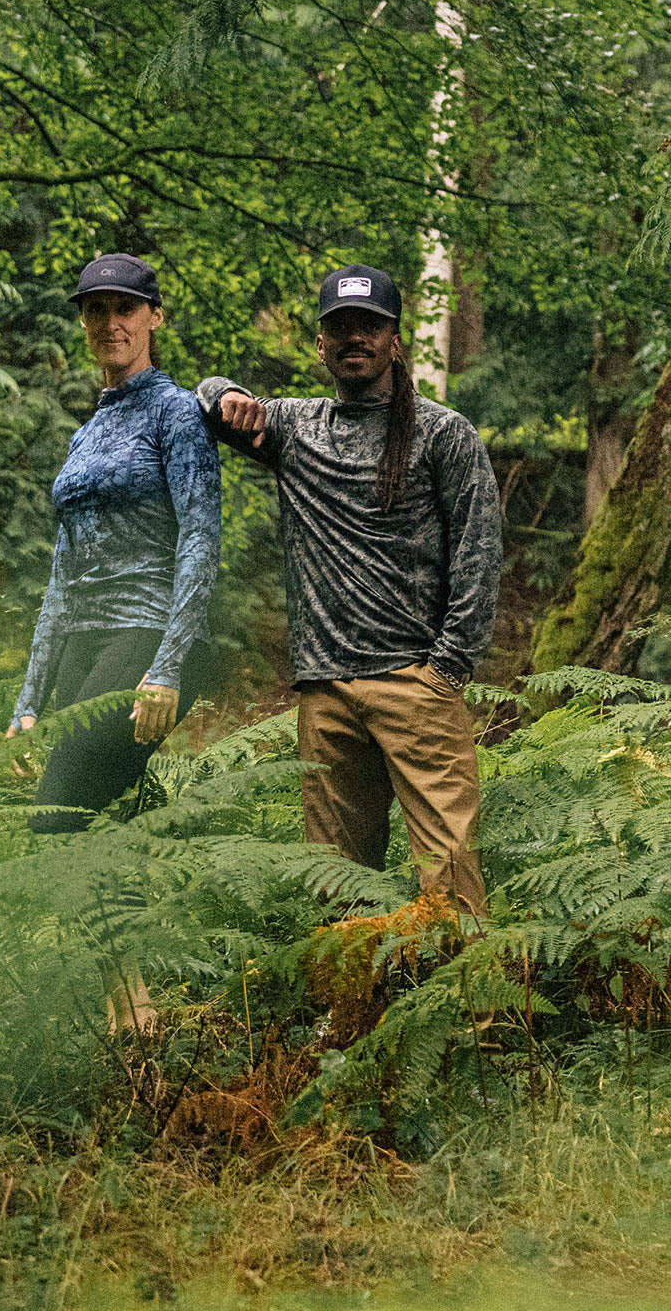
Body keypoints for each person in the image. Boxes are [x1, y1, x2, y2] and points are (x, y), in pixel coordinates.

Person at [197, 264, 502, 919]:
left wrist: (448, 668)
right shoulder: (296, 428)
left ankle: (474, 988)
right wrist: (225, 393)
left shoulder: (445, 434)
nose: (354, 337)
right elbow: (209, 403)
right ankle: (352, 991)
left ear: (395, 340)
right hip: (326, 693)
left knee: (450, 883)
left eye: (370, 325)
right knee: (337, 891)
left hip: (416, 684)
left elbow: (478, 554)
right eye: (340, 327)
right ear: (320, 344)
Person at [7, 253, 221, 838]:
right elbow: (62, 576)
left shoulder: (176, 413)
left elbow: (200, 540)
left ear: (155, 316)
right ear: (83, 322)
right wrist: (29, 702)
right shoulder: (86, 434)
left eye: (126, 308)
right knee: (76, 825)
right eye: (97, 311)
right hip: (84, 637)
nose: (111, 323)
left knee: (57, 814)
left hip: (148, 633)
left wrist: (167, 667)